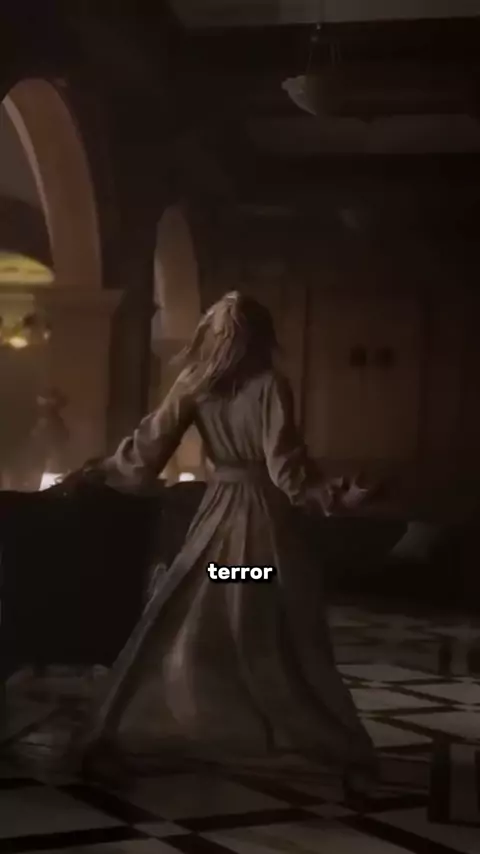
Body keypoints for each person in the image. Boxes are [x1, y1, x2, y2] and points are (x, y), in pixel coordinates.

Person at [68, 291, 378, 799]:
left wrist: (100, 471)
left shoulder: (194, 383)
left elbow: (145, 452)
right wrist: (335, 496)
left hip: (216, 521)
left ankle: (148, 728)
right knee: (274, 623)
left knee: (190, 614)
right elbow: (286, 471)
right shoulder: (269, 384)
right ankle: (300, 736)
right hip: (264, 525)